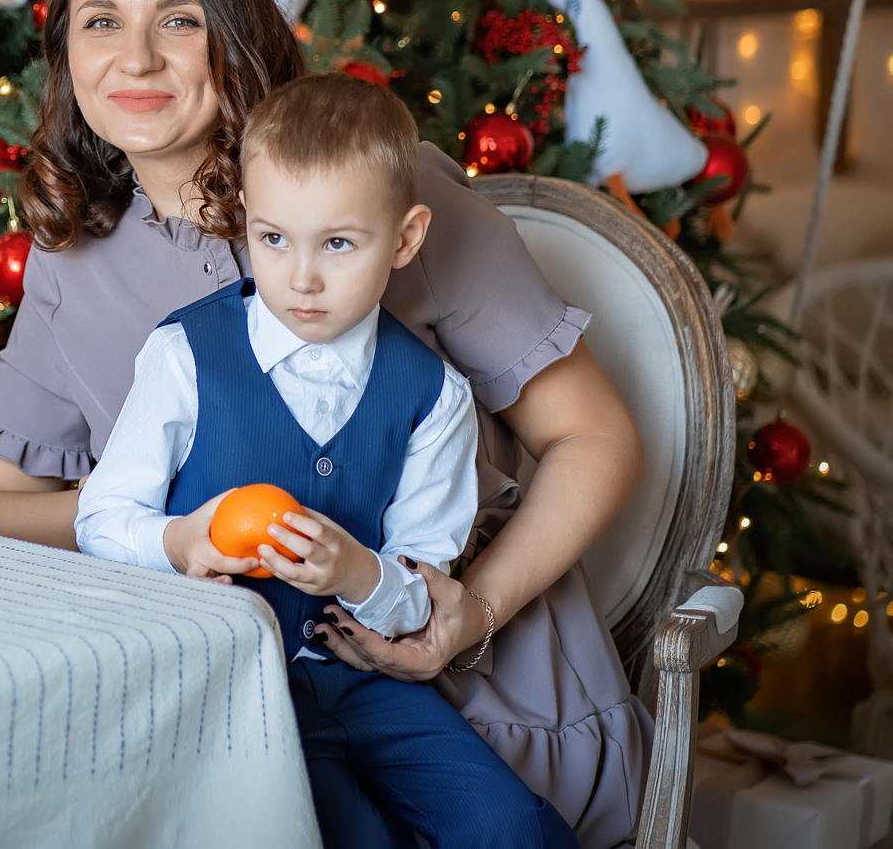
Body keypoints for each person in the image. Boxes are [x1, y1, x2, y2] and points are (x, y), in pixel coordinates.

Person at [0, 0, 650, 847]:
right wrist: (158, 518)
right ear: (66, 51)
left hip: (466, 675)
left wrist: (473, 611)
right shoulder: (74, 256)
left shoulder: (387, 192)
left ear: (237, 35)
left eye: (180, 20)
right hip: (231, 695)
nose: (136, 59)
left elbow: (593, 436)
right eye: (100, 20)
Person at [77, 74, 573, 848]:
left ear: (404, 238)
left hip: (370, 681)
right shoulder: (186, 355)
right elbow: (101, 519)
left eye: (338, 243)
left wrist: (360, 574)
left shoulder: (432, 393)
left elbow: (423, 591)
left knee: (507, 825)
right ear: (246, 217)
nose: (301, 277)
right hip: (234, 688)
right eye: (274, 238)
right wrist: (180, 540)